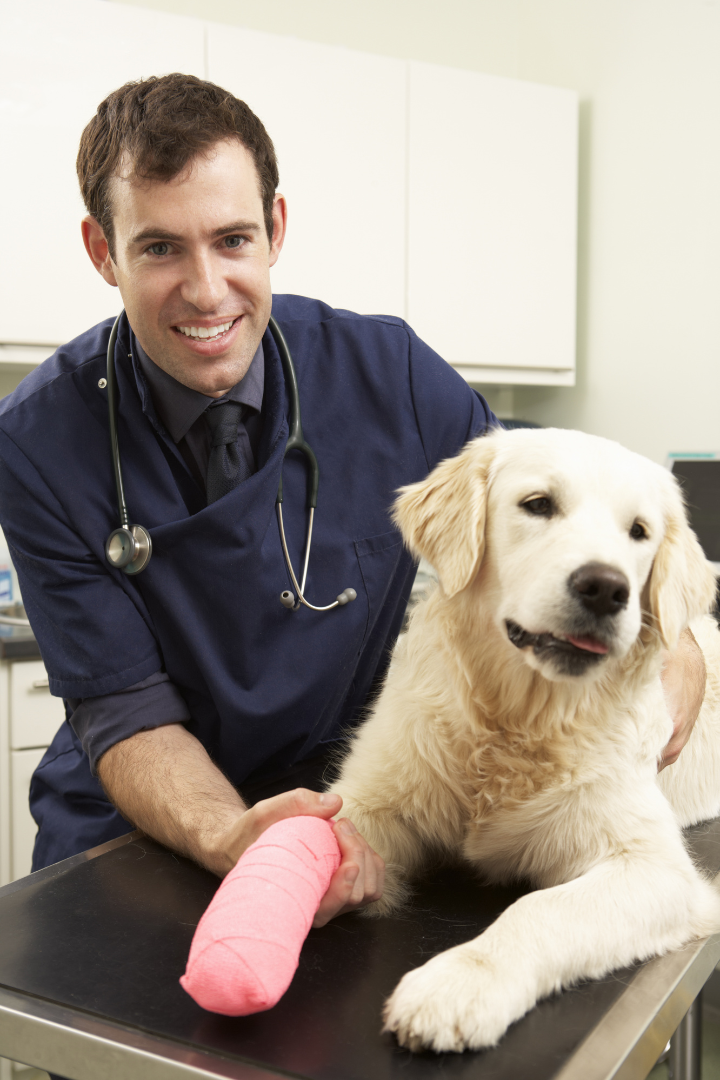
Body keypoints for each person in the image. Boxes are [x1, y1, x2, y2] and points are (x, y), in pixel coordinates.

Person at [0, 74, 705, 928]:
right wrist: (230, 834)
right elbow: (124, 709)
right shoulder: (37, 443)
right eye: (158, 249)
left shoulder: (390, 375)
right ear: (102, 251)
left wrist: (685, 642)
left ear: (277, 229)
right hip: (139, 838)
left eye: (232, 239)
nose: (207, 288)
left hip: (351, 823)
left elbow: (547, 505)